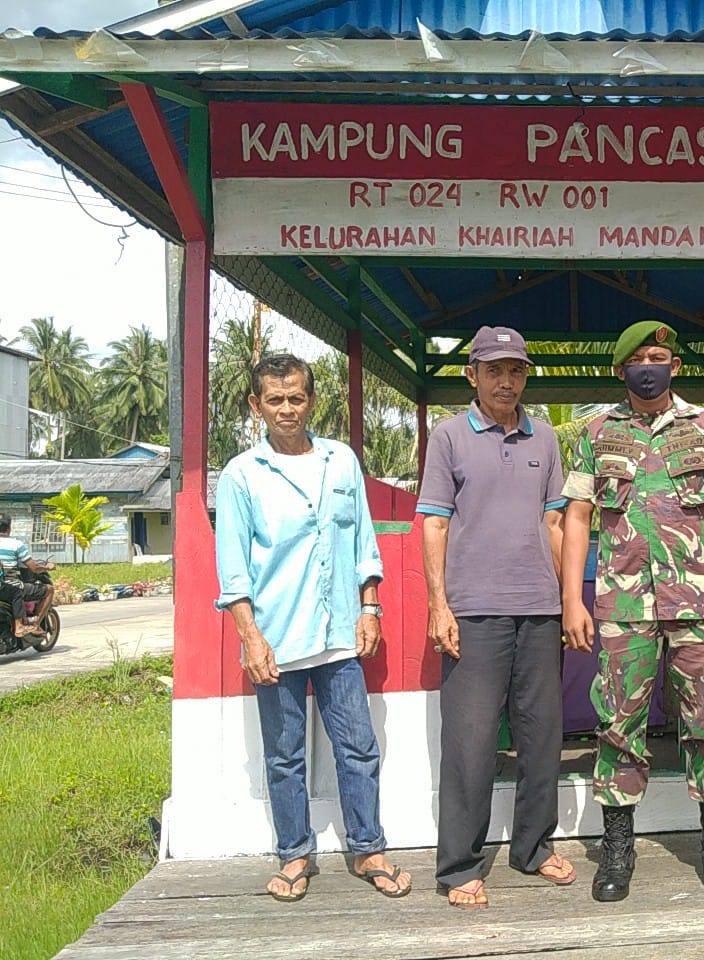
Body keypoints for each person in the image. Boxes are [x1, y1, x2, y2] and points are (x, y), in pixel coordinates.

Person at [561, 319, 704, 903]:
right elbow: (575, 516)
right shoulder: (595, 432)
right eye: (639, 357)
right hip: (622, 607)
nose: (651, 364)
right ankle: (617, 851)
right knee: (619, 724)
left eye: (660, 356)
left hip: (697, 603)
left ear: (674, 366)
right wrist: (572, 598)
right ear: (623, 370)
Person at [215, 354, 412, 903]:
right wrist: (250, 637)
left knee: (358, 747)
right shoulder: (241, 475)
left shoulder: (340, 461)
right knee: (284, 757)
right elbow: (232, 569)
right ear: (256, 405)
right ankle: (294, 853)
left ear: (311, 401)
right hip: (275, 639)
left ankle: (367, 846)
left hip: (338, 636)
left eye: (296, 398)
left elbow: (362, 541)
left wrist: (370, 606)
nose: (286, 409)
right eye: (274, 399)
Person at [419, 326, 575, 909]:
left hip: (539, 611)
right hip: (473, 613)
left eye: (515, 371)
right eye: (493, 370)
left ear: (525, 376)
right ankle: (459, 864)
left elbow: (556, 523)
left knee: (541, 737)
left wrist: (565, 601)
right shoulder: (449, 437)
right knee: (471, 742)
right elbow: (433, 522)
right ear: (473, 376)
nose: (505, 381)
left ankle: (533, 848)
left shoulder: (547, 437)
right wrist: (440, 604)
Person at [0, 512, 55, 641]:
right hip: (8, 585)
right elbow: (34, 567)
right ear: (9, 528)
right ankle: (33, 625)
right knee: (49, 590)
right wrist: (48, 567)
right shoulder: (16, 545)